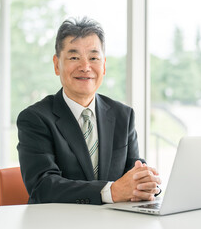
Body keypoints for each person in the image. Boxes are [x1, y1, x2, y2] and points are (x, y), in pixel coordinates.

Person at [17, 17, 161, 205]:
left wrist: (148, 184)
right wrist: (111, 192)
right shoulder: (35, 119)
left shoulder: (123, 116)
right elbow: (43, 186)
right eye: (74, 57)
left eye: (93, 58)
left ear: (104, 65)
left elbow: (133, 170)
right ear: (56, 65)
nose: (85, 67)